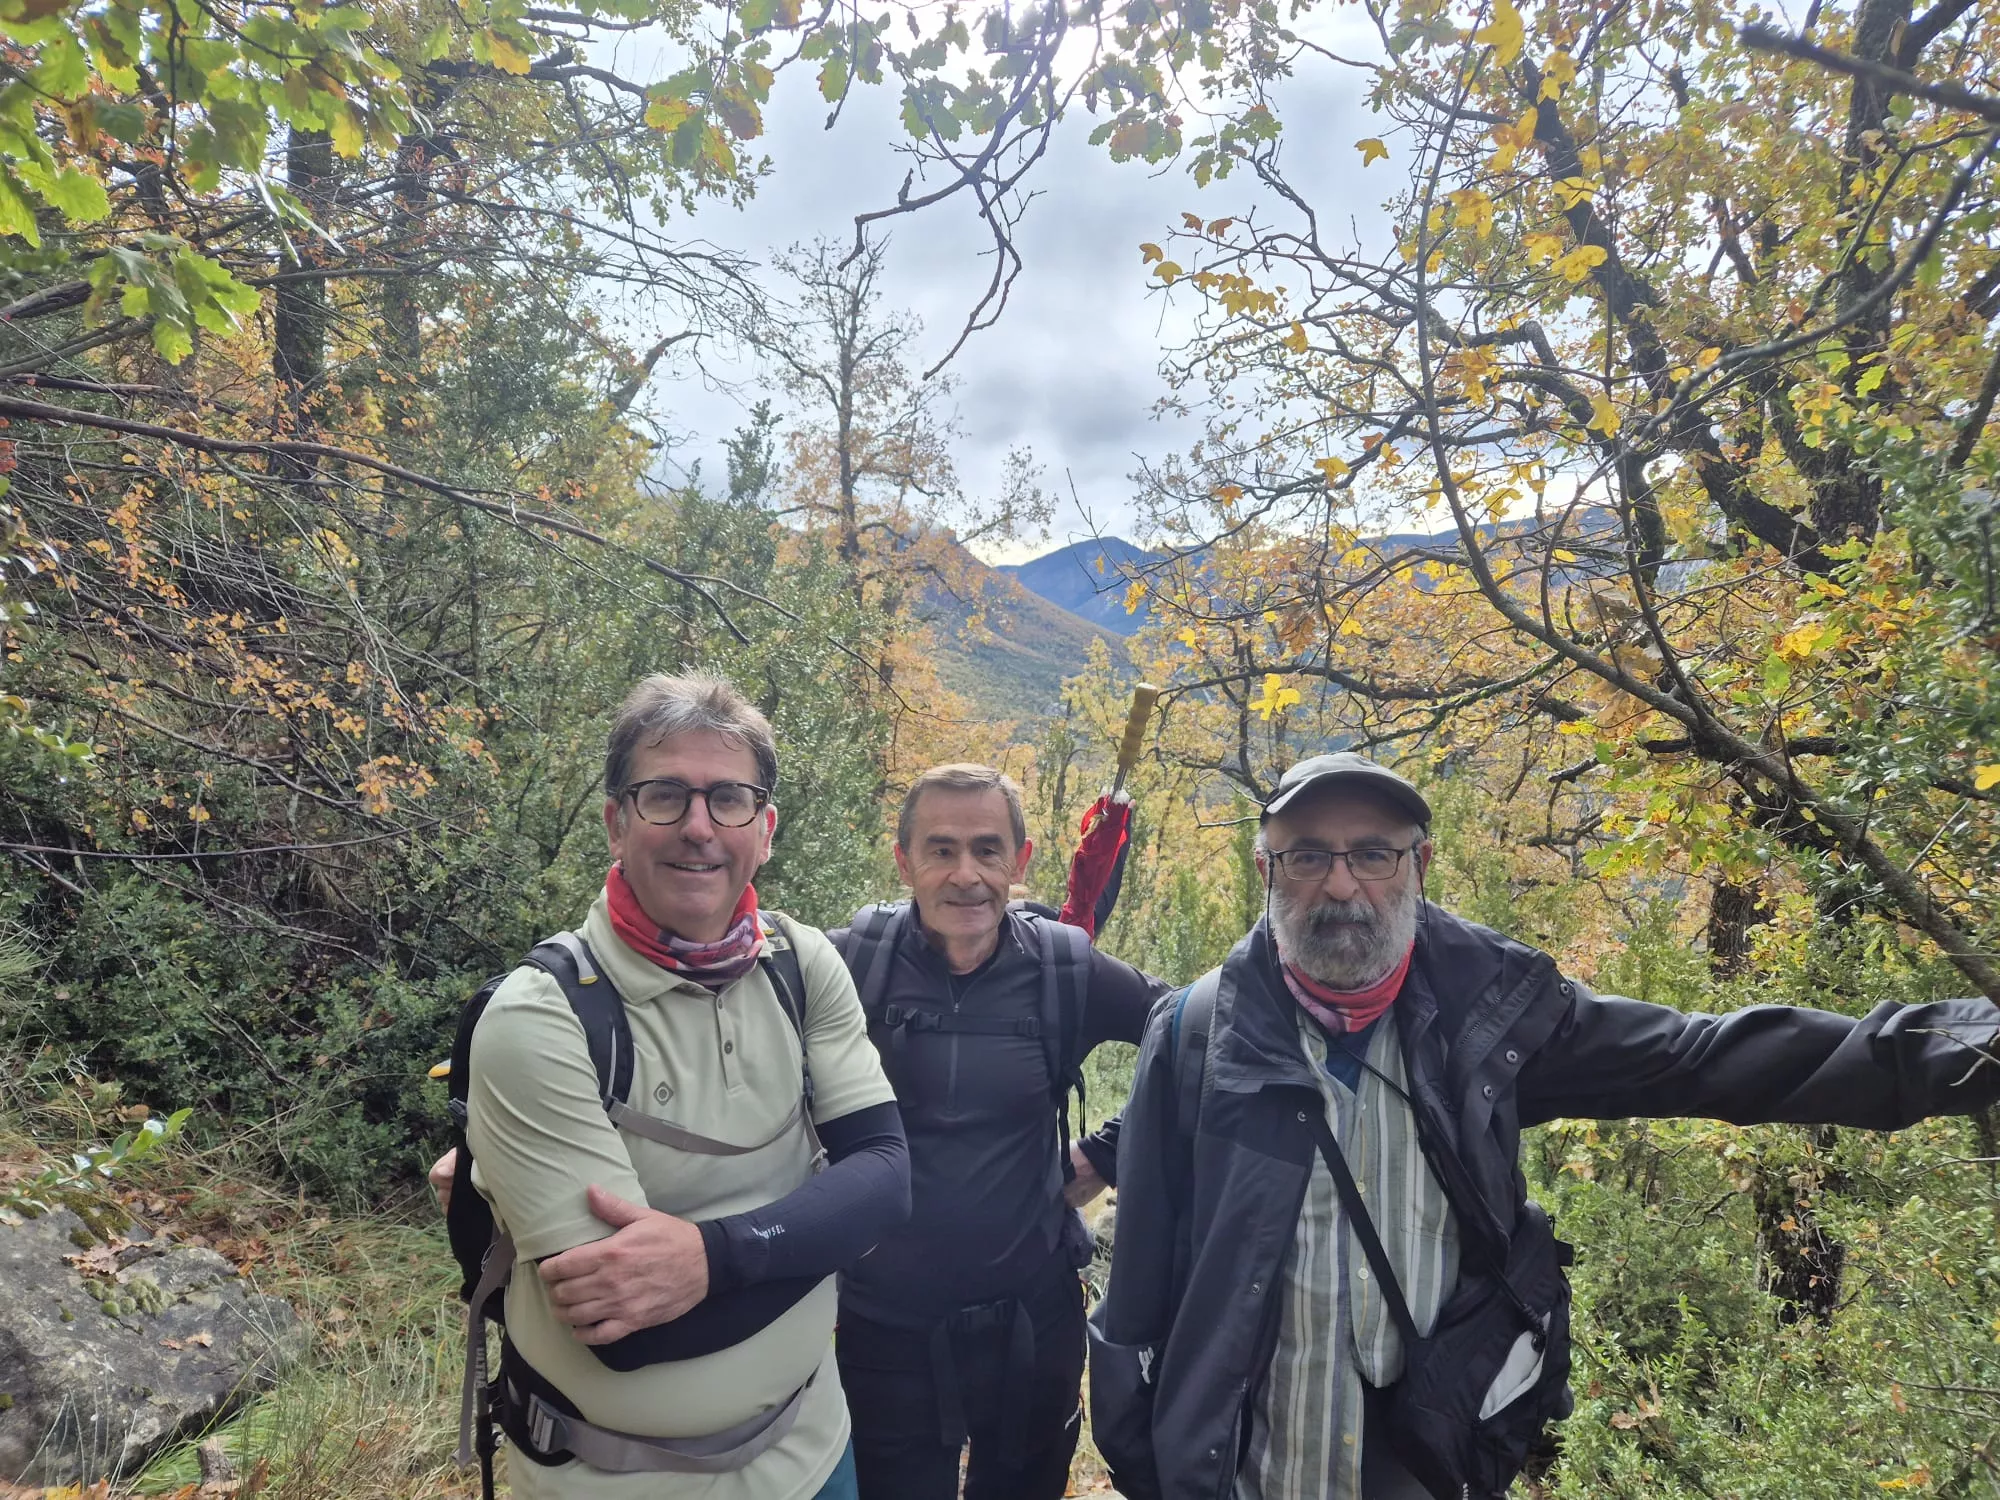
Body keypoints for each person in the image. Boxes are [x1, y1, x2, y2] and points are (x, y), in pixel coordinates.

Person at [1096, 751, 2000, 1500]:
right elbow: (1140, 1275)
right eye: (1308, 856)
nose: (1342, 885)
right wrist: (1143, 1456)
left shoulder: (1493, 1014)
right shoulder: (1196, 1033)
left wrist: (1967, 1050)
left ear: (1419, 865)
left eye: (1374, 854)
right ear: (1267, 871)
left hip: (1424, 1445)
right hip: (1249, 1453)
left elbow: (1702, 1057)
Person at [458, 672, 909, 1500]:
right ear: (616, 822)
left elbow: (886, 1178)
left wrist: (711, 1258)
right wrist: (828, 1223)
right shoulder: (542, 1016)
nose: (699, 827)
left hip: (814, 1452)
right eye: (665, 795)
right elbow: (623, 1335)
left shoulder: (801, 963)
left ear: (764, 830)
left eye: (729, 799)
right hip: (610, 1481)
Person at [826, 764, 1170, 1500]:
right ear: (903, 860)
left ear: (1022, 861)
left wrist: (1106, 1152)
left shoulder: (1063, 969)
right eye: (940, 849)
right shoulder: (852, 963)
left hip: (1030, 1318)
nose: (965, 874)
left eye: (987, 850)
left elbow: (1197, 1038)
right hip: (883, 1322)